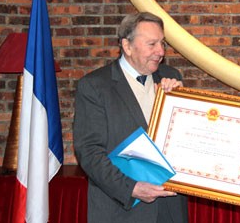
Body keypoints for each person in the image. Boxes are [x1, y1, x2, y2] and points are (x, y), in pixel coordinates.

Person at [73, 12, 188, 223]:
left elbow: (185, 139)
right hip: (121, 210)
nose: (160, 51)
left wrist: (182, 103)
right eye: (152, 44)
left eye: (162, 43)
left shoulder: (172, 77)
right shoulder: (94, 86)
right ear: (127, 46)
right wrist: (132, 188)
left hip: (170, 210)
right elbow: (89, 152)